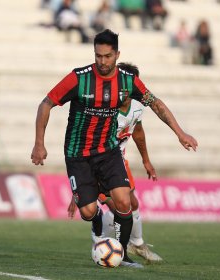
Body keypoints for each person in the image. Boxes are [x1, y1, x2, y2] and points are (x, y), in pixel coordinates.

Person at [31, 29, 197, 268]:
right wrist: (39, 143)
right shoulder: (79, 78)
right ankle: (97, 218)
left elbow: (156, 104)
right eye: (98, 56)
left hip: (108, 151)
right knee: (88, 211)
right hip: (78, 154)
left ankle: (123, 254)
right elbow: (46, 104)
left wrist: (180, 133)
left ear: (117, 54)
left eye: (107, 56)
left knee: (124, 201)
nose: (102, 61)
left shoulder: (128, 81)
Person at [67, 62, 162, 264]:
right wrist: (76, 192)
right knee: (111, 207)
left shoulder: (137, 106)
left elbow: (137, 132)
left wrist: (146, 160)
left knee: (131, 204)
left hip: (118, 160)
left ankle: (136, 245)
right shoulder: (105, 109)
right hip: (98, 162)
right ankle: (104, 237)